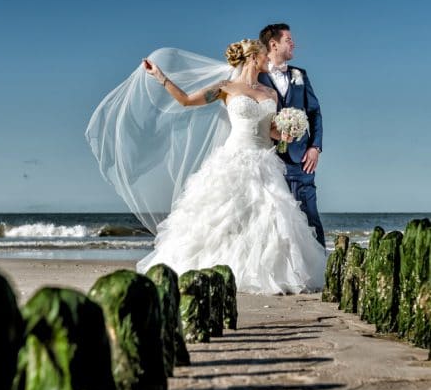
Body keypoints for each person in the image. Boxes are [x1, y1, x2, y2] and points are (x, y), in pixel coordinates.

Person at [133, 39, 326, 294]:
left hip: (265, 162)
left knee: (270, 217)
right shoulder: (225, 88)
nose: (269, 59)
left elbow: (270, 130)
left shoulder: (270, 94)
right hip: (233, 159)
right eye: (264, 56)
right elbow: (187, 101)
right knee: (223, 218)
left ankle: (265, 273)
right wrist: (160, 77)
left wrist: (287, 133)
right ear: (253, 58)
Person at [258, 23, 326, 247]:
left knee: (310, 217)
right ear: (273, 44)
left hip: (301, 161)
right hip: (268, 159)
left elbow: (315, 113)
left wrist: (315, 147)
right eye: (288, 40)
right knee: (273, 222)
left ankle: (320, 272)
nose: (293, 43)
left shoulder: (300, 75)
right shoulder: (256, 76)